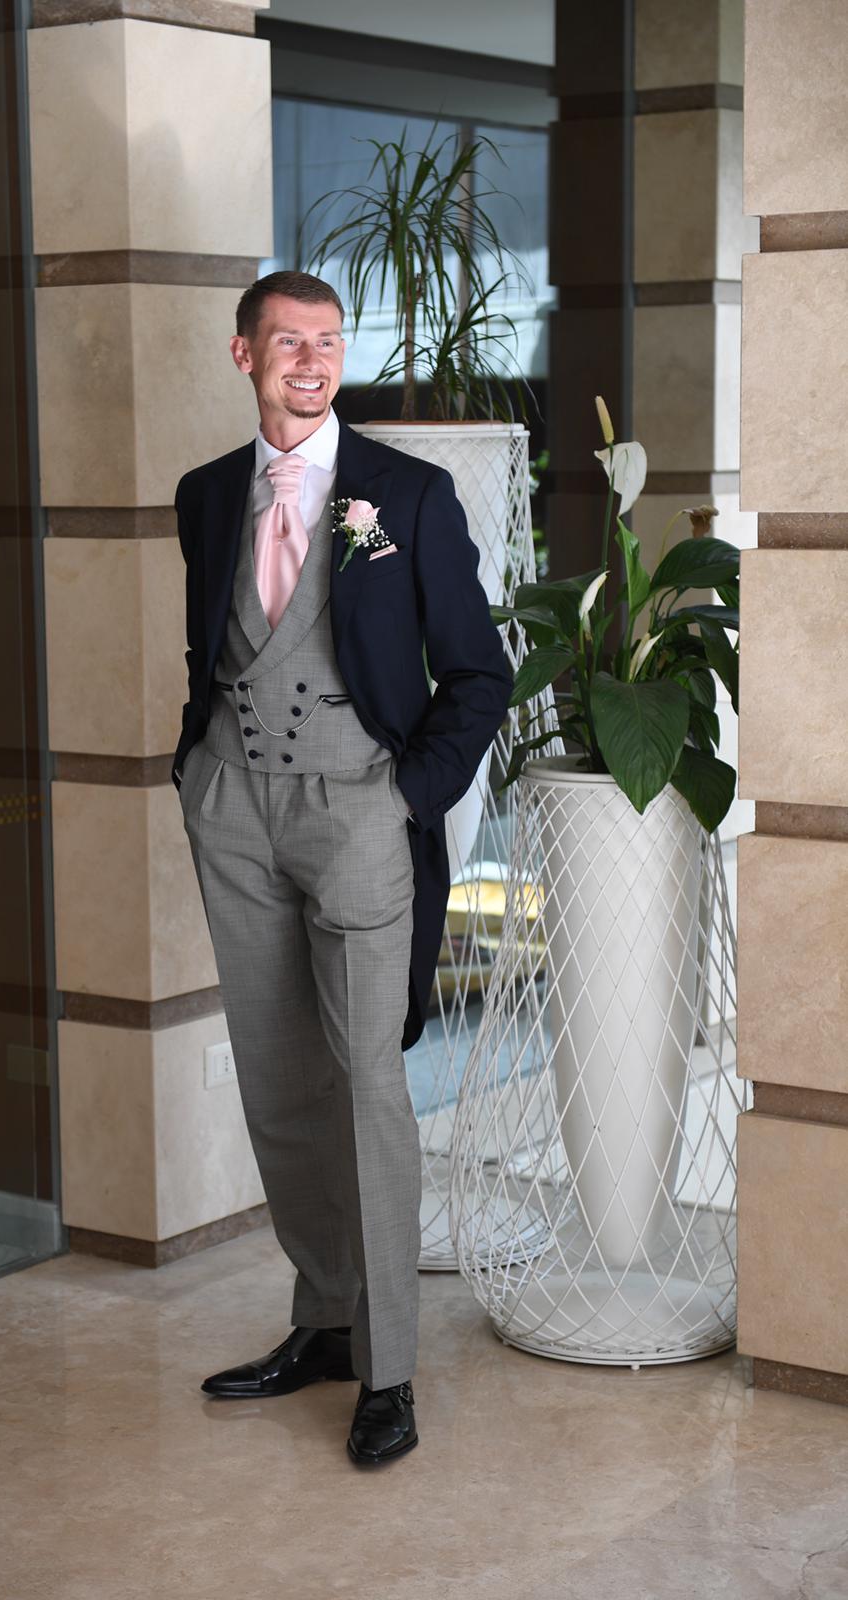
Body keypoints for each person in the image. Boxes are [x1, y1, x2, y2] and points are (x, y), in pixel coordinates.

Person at [172, 270, 512, 1466]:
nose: (308, 361)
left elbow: (480, 674)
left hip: (360, 816)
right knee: (277, 1080)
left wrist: (405, 798)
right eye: (285, 343)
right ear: (243, 356)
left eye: (325, 342)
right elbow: (214, 645)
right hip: (234, 810)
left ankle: (392, 1369)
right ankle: (322, 1319)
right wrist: (196, 774)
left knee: (364, 1083)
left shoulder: (408, 498)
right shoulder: (206, 495)